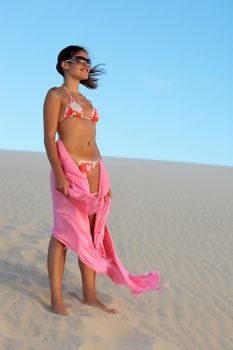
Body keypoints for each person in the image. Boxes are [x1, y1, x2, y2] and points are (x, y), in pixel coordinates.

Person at [43, 45, 168, 317]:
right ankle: (56, 298)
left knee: (91, 235)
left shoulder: (88, 103)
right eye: (80, 60)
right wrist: (60, 173)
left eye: (88, 61)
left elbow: (94, 142)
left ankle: (89, 296)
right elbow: (49, 137)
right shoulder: (56, 95)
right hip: (70, 168)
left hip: (95, 169)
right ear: (64, 64)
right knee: (63, 234)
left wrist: (105, 180)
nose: (86, 64)